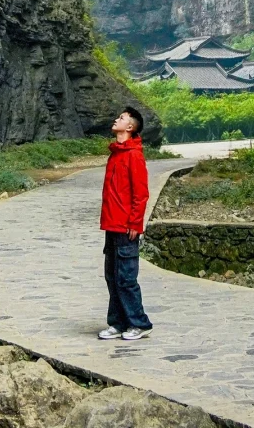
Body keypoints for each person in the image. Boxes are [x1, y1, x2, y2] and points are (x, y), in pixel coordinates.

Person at [98, 105, 153, 341]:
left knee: (126, 278)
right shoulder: (116, 153)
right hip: (112, 224)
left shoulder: (134, 155)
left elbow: (141, 194)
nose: (116, 119)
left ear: (130, 127)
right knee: (112, 276)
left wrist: (134, 222)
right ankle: (118, 322)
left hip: (125, 226)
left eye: (121, 118)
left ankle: (139, 323)